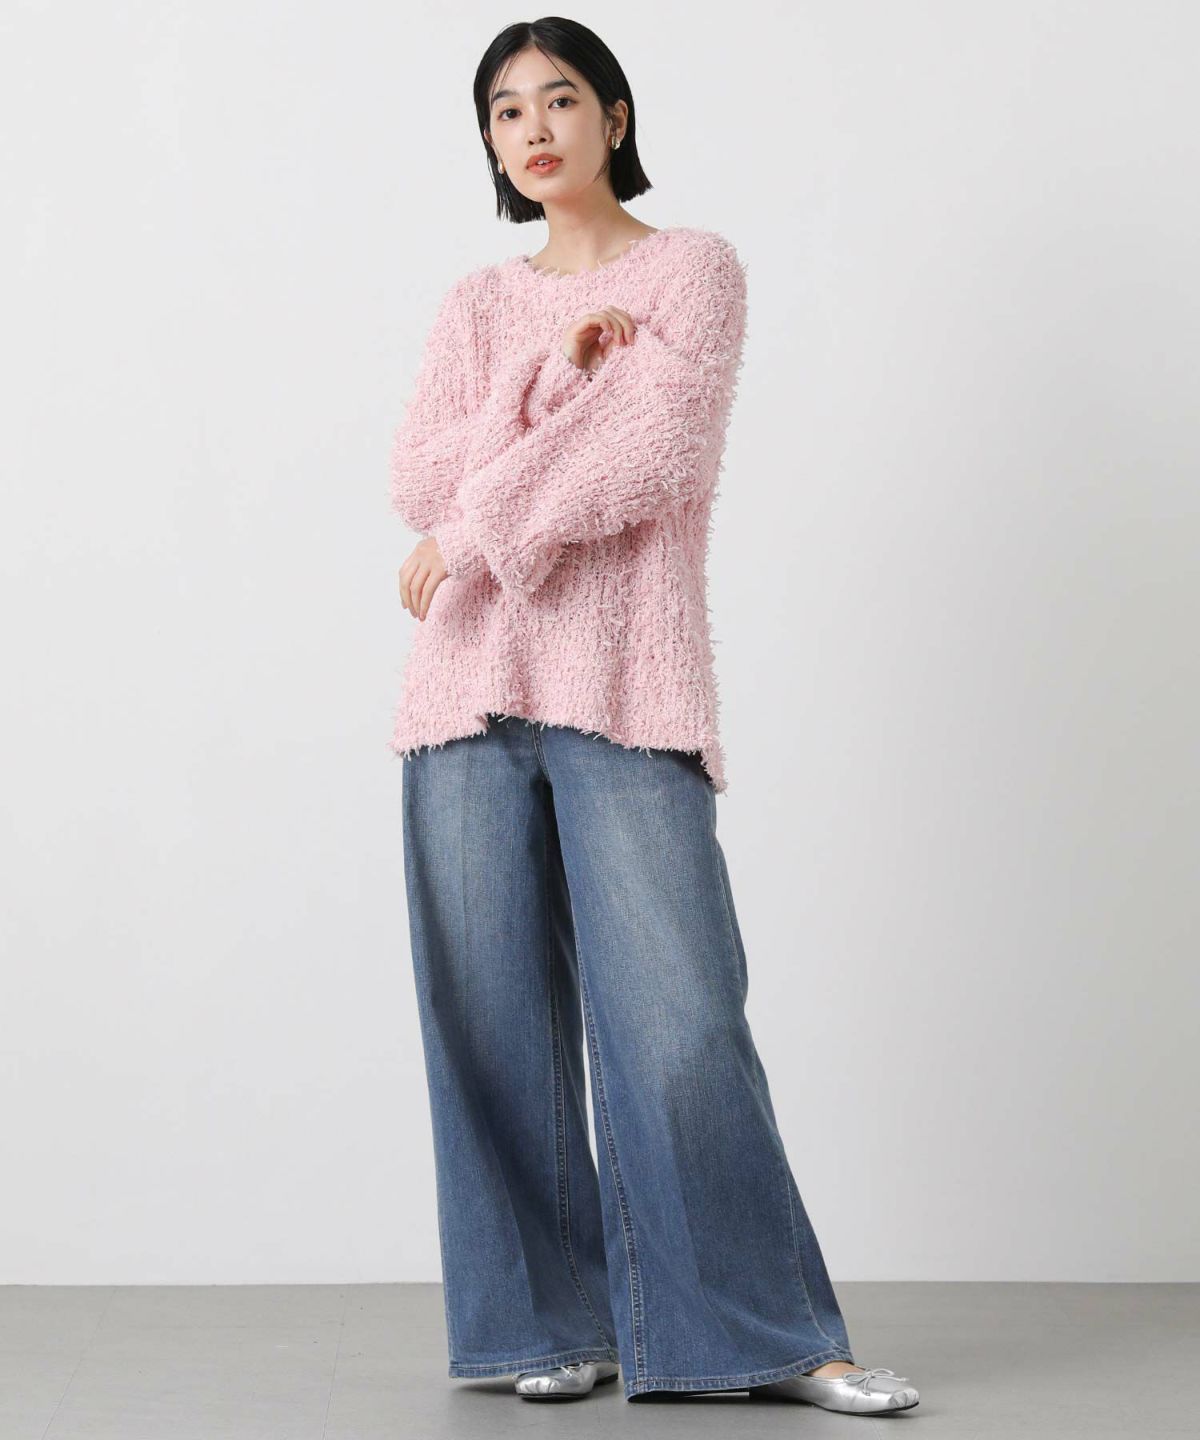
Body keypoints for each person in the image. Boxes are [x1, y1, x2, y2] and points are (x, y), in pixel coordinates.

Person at [387, 18, 920, 1417]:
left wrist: (479, 525)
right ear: (491, 141)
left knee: (680, 1022)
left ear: (614, 117)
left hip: (627, 683)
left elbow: (653, 449)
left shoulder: (693, 269)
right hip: (463, 687)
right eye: (507, 111)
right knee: (488, 1025)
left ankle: (767, 1337)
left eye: (560, 99)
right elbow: (417, 475)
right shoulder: (474, 304)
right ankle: (542, 1326)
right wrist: (548, 373)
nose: (534, 128)